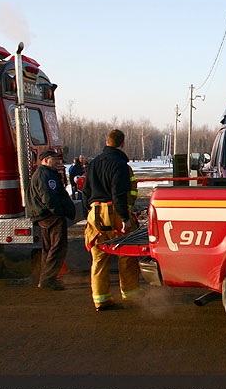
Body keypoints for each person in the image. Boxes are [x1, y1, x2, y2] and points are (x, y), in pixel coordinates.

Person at [82, 130, 141, 311]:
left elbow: (85, 192)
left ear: (106, 142)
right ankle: (131, 296)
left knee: (98, 258)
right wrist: (125, 218)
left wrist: (89, 214)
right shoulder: (120, 164)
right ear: (122, 144)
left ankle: (100, 299)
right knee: (126, 255)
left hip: (95, 214)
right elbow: (118, 193)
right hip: (115, 213)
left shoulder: (93, 163)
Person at [25, 150, 76, 290]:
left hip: (45, 216)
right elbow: (48, 197)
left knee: (49, 248)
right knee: (58, 247)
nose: (57, 162)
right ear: (46, 160)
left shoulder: (43, 173)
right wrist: (58, 212)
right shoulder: (45, 175)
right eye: (54, 159)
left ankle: (46, 278)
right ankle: (48, 280)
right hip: (50, 216)